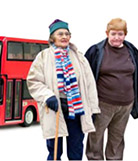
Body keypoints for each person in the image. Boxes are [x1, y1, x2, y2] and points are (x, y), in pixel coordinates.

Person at [27, 19, 100, 160]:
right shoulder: (43, 57)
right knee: (54, 150)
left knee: (76, 148)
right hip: (55, 107)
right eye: (60, 34)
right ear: (52, 38)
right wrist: (47, 96)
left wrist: (93, 109)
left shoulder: (79, 57)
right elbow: (34, 81)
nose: (64, 36)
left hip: (77, 109)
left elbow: (89, 84)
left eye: (67, 34)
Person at [85, 18, 138, 160]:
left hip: (126, 105)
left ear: (125, 34)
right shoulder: (96, 51)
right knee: (96, 136)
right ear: (107, 33)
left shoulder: (132, 51)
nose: (116, 37)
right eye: (113, 34)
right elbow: (85, 77)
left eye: (120, 34)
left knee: (117, 139)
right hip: (102, 104)